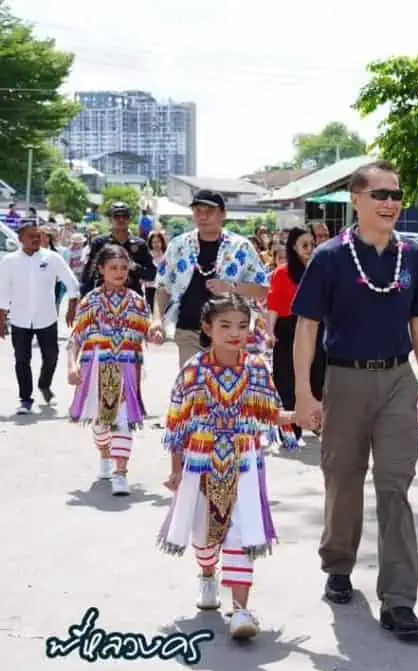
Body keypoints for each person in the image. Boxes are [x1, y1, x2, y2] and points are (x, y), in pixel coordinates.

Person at [291, 160, 418, 641]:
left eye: (396, 194)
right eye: (380, 195)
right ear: (356, 199)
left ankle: (399, 600)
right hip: (345, 378)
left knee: (395, 486)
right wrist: (304, 394)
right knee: (344, 477)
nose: (391, 203)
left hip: (398, 379)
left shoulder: (412, 256)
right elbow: (307, 328)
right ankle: (338, 563)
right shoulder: (331, 257)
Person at [158, 294, 294, 640]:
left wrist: (298, 416)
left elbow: (268, 412)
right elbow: (177, 424)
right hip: (201, 462)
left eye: (243, 326)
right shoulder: (192, 370)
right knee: (204, 537)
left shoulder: (257, 367)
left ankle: (241, 609)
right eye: (226, 325)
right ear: (207, 328)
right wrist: (175, 470)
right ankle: (207, 575)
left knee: (242, 531)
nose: (236, 333)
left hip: (245, 462)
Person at [148, 190, 269, 369]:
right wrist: (157, 319)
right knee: (193, 389)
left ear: (223, 213)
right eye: (198, 211)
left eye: (209, 211)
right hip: (188, 330)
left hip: (231, 333)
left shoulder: (241, 246)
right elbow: (162, 286)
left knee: (226, 391)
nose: (203, 216)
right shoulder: (178, 245)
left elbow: (262, 289)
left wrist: (230, 287)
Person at [66, 245, 150, 495]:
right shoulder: (90, 300)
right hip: (95, 368)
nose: (119, 272)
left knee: (121, 421)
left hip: (127, 369)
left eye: (124, 268)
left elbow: (147, 332)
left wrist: (156, 332)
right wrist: (71, 365)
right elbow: (76, 338)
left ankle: (120, 474)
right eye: (113, 267)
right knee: (102, 422)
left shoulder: (136, 301)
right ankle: (104, 454)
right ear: (101, 269)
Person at [0, 219, 80, 414]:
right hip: (19, 319)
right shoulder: (9, 261)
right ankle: (25, 399)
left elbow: (71, 282)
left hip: (47, 318)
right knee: (21, 360)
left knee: (51, 357)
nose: (36, 239)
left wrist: (72, 306)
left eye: (39, 236)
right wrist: (1, 319)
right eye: (31, 236)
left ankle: (44, 385)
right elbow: (2, 291)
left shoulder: (52, 258)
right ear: (20, 239)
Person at [265, 226, 326, 442]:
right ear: (293, 247)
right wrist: (269, 332)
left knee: (318, 375)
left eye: (312, 244)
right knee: (286, 378)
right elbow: (273, 305)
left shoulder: (320, 269)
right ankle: (291, 428)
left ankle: (318, 421)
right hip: (287, 329)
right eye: (304, 245)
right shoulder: (282, 273)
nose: (309, 249)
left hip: (317, 329)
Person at [80, 202, 155, 297]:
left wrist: (134, 267)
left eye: (125, 216)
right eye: (116, 216)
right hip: (103, 299)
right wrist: (84, 299)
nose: (121, 219)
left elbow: (151, 274)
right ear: (110, 219)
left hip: (132, 300)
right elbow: (87, 275)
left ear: (129, 219)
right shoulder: (99, 243)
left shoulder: (139, 244)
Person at [143, 231, 168, 311]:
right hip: (150, 287)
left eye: (158, 242)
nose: (156, 244)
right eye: (153, 242)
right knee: (152, 310)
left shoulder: (166, 255)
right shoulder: (147, 256)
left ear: (162, 242)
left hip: (163, 288)